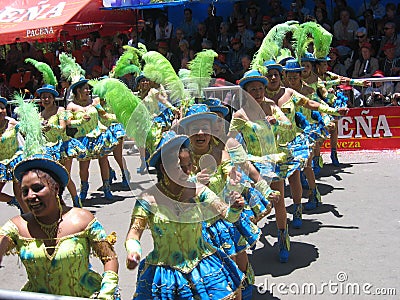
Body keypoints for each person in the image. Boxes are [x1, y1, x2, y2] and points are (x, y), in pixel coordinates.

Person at [125, 131, 244, 299]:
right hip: (165, 274)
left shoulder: (198, 190)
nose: (189, 172)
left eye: (190, 165)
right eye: (182, 167)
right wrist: (133, 251)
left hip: (202, 266)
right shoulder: (148, 199)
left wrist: (235, 207)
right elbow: (134, 233)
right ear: (164, 168)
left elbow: (228, 215)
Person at [0, 154, 119, 298]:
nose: (30, 196)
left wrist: (106, 292)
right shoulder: (17, 226)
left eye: (37, 188)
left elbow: (109, 258)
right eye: (25, 191)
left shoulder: (82, 220)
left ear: (55, 189)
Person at [228, 70, 291, 263]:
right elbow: (229, 140)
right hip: (253, 165)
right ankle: (250, 236)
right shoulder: (240, 114)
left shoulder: (271, 106)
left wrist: (277, 121)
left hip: (273, 161)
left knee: (278, 202)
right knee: (254, 206)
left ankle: (283, 238)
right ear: (246, 92)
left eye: (260, 88)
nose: (258, 92)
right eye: (253, 89)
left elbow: (288, 124)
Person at [66, 77, 118, 201]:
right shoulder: (71, 106)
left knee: (103, 161)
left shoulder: (94, 102)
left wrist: (120, 118)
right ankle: (84, 189)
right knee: (84, 166)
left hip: (98, 136)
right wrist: (80, 121)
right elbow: (68, 123)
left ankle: (106, 188)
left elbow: (103, 115)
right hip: (83, 139)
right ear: (78, 90)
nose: (88, 91)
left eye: (88, 88)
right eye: (85, 89)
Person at [37, 83, 86, 207]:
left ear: (53, 98)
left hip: (63, 147)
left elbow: (62, 128)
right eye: (43, 97)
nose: (46, 99)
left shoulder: (60, 111)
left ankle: (76, 200)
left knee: (65, 176)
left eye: (49, 96)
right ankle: (59, 203)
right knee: (51, 178)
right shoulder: (39, 115)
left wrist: (50, 127)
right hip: (48, 149)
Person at [0, 96, 28, 213]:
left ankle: (29, 217)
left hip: (15, 160)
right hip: (1, 163)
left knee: (19, 192)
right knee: (17, 197)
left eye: (2, 108)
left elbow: (29, 131)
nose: (0, 111)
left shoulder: (12, 123)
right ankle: (14, 201)